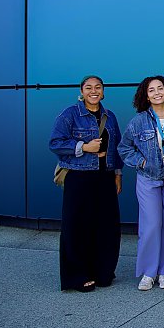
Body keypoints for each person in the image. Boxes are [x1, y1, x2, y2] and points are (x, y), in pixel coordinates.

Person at [49, 75, 123, 292]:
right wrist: (83, 146)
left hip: (105, 177)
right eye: (88, 87)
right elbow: (55, 143)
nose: (93, 91)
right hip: (79, 177)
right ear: (81, 91)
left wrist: (118, 174)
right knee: (77, 227)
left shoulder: (110, 117)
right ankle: (77, 276)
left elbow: (116, 147)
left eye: (98, 87)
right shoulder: (70, 114)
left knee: (106, 227)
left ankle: (102, 271)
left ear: (103, 91)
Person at [117, 76, 164, 292]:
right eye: (151, 90)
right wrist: (142, 162)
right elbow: (124, 148)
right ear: (145, 95)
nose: (157, 93)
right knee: (151, 224)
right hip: (149, 178)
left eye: (160, 88)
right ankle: (148, 271)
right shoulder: (139, 121)